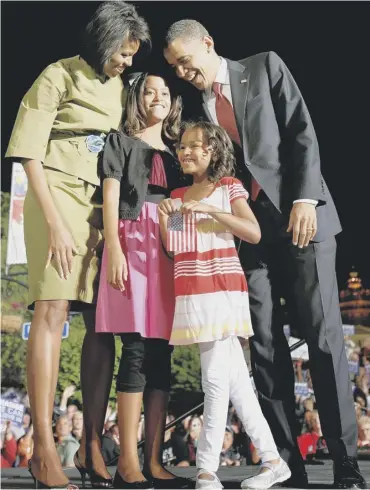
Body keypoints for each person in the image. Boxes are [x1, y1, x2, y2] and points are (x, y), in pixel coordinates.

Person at [163, 20, 367, 489]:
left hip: (301, 220)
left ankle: (346, 465)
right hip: (251, 235)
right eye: (174, 66)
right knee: (263, 345)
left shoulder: (264, 67)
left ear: (207, 43)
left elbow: (300, 131)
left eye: (185, 59)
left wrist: (305, 199)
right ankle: (286, 465)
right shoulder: (198, 106)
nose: (182, 70)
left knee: (322, 338)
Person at [5, 2, 150, 488]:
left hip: (101, 207)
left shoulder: (119, 89)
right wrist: (54, 223)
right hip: (56, 201)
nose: (128, 62)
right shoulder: (57, 75)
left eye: (133, 55)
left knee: (101, 324)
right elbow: (28, 153)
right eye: (124, 53)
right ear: (104, 39)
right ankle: (44, 447)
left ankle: (91, 443)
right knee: (51, 312)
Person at [158, 121, 291, 490]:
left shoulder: (228, 187)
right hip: (192, 290)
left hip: (221, 289)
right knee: (237, 386)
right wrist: (165, 220)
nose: (184, 152)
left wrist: (211, 212)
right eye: (181, 146)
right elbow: (174, 247)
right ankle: (273, 460)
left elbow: (252, 231)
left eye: (193, 146)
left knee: (214, 381)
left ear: (211, 150)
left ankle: (205, 470)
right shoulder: (179, 193)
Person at [96, 72, 191, 489]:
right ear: (136, 96)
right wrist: (113, 245)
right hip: (133, 241)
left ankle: (153, 460)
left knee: (161, 352)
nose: (159, 97)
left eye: (166, 92)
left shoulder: (177, 151)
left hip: (169, 246)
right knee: (134, 347)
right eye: (150, 91)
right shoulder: (119, 141)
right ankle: (127, 463)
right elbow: (111, 194)